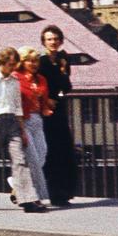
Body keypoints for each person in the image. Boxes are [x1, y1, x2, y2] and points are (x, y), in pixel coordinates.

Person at [0, 48, 45, 213]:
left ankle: (27, 200)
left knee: (20, 161)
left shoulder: (14, 81)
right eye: (10, 65)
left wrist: (22, 131)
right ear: (1, 62)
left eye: (14, 65)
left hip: (13, 123)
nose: (12, 68)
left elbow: (18, 107)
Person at [37, 25, 80, 207]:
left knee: (64, 150)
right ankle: (52, 192)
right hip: (45, 110)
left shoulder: (63, 59)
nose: (53, 42)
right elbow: (36, 85)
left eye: (55, 39)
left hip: (59, 108)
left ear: (61, 41)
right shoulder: (41, 61)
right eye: (49, 39)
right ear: (44, 42)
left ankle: (63, 193)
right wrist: (47, 100)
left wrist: (58, 97)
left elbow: (66, 87)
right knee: (50, 151)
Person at [14, 46, 53, 205]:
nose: (33, 63)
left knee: (42, 154)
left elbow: (43, 100)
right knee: (34, 160)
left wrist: (47, 107)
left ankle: (18, 185)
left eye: (35, 60)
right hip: (23, 121)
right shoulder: (16, 77)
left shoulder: (41, 79)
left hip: (38, 120)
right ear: (22, 62)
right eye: (29, 61)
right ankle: (36, 197)